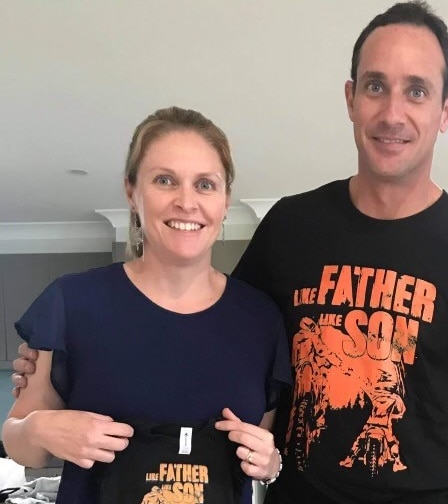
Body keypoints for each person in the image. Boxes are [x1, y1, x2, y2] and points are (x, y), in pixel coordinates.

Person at [14, 3, 448, 503]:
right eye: (375, 86)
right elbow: (217, 329)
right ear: (350, 98)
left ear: (447, 110)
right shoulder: (291, 227)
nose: (393, 112)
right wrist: (57, 366)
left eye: (417, 91)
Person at [4, 107, 290, 504]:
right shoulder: (74, 302)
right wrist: (38, 429)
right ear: (131, 192)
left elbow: (264, 446)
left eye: (205, 184)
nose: (186, 202)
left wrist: (271, 462)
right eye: (165, 180)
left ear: (225, 202)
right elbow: (18, 440)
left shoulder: (261, 319)